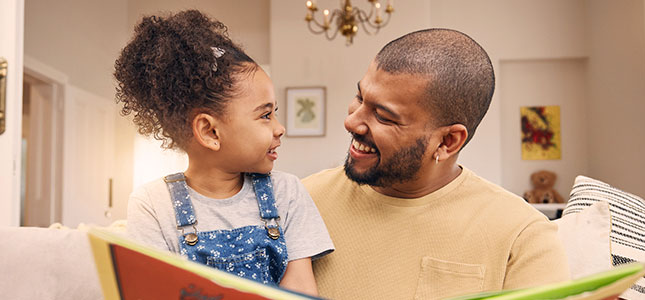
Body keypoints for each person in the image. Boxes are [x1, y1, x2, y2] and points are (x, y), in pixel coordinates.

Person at [302, 28, 570, 299]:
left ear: (448, 142)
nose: (351, 122)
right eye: (360, 98)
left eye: (383, 116)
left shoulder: (523, 237)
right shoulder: (301, 202)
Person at [116, 10, 333, 296]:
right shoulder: (152, 205)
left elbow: (301, 293)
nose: (280, 129)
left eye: (274, 112)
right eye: (265, 115)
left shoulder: (287, 192)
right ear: (210, 132)